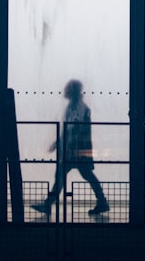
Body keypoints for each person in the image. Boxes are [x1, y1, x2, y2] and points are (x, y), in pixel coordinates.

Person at [31, 79, 110, 216]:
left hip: (73, 151)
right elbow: (74, 128)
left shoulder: (76, 107)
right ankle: (102, 201)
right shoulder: (80, 107)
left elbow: (71, 129)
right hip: (78, 150)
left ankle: (48, 204)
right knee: (85, 175)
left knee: (62, 177)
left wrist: (59, 143)